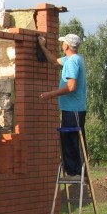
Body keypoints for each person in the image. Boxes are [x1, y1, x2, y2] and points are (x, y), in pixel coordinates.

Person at [38, 33, 88, 176]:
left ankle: (77, 171)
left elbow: (71, 87)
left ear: (66, 45)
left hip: (75, 110)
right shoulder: (74, 59)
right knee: (69, 140)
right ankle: (73, 170)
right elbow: (54, 62)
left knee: (74, 141)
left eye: (63, 43)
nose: (62, 45)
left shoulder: (72, 62)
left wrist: (50, 95)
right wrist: (42, 46)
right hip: (70, 109)